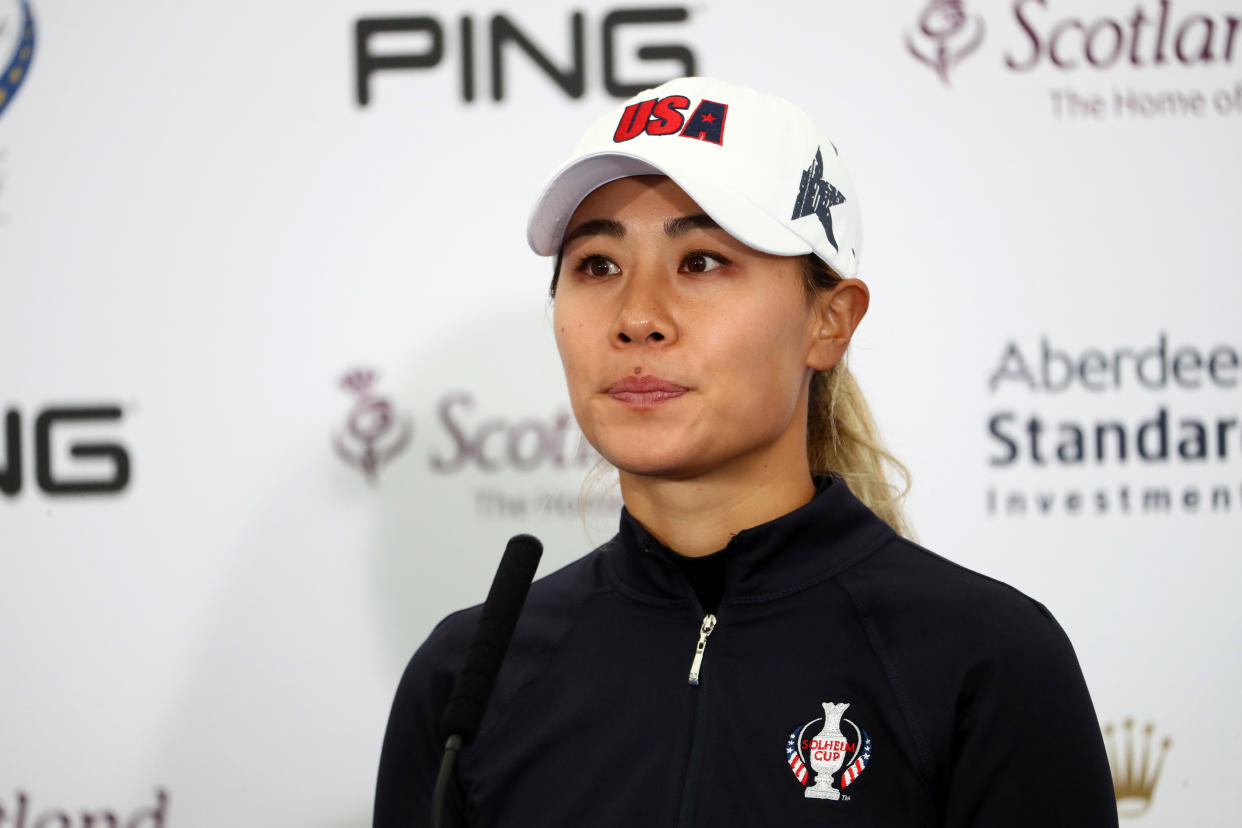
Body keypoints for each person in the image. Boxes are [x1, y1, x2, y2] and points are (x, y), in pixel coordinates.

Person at [374, 76, 1118, 827]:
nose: (637, 317)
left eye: (701, 261)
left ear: (829, 321)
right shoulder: (467, 679)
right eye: (597, 265)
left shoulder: (987, 661)